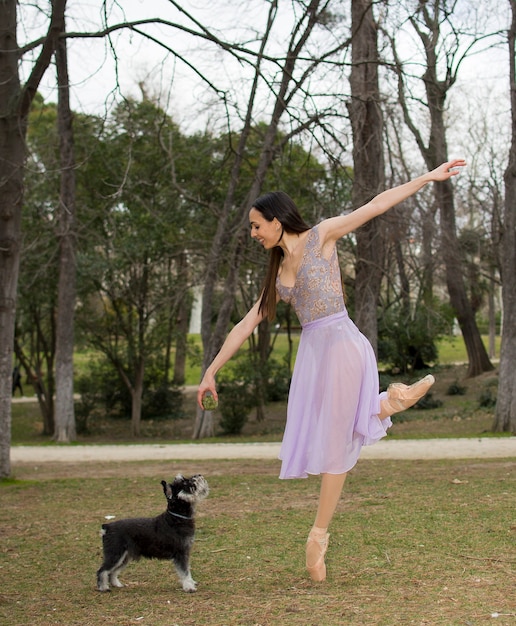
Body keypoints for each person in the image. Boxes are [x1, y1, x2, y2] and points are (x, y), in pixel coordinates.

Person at [197, 159, 466, 582]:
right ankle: (387, 403)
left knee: (337, 439)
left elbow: (374, 206)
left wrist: (427, 178)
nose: (252, 234)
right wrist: (211, 371)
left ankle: (318, 536)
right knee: (332, 432)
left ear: (276, 219)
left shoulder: (321, 236)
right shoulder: (279, 273)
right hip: (315, 355)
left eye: (255, 226)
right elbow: (246, 323)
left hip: (340, 341)